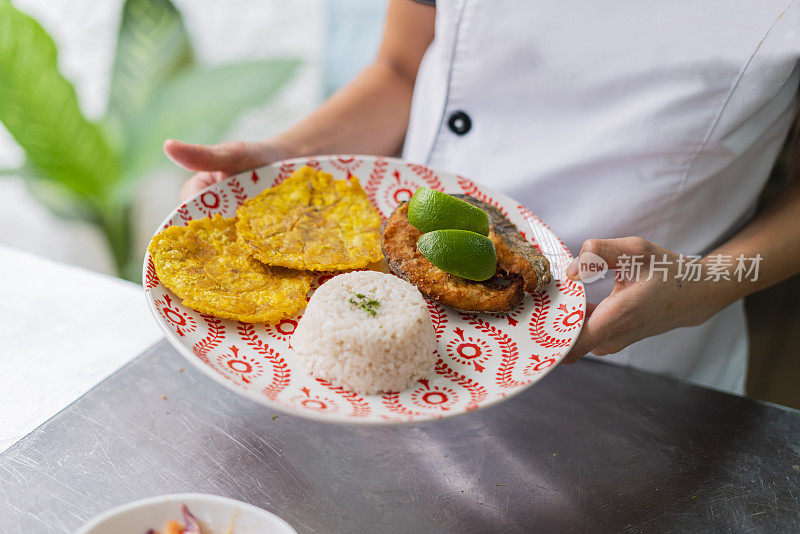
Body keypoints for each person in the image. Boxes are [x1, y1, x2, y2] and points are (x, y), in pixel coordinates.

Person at [163, 0, 800, 395]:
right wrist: (285, 161)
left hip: (642, 359)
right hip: (399, 324)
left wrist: (710, 281)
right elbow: (402, 67)